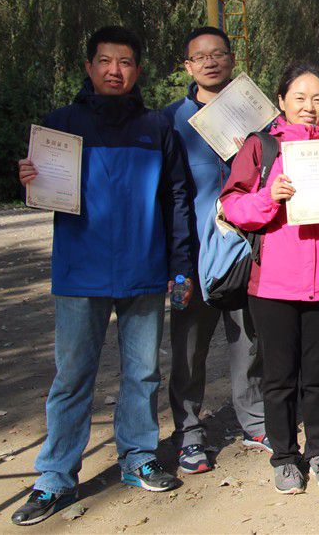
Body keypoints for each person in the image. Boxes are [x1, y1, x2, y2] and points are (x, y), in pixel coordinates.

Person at [12, 26, 191, 526]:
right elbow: (44, 189)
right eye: (106, 61)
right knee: (72, 377)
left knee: (142, 373)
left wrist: (179, 266)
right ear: (89, 67)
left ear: (138, 70)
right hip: (80, 270)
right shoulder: (60, 126)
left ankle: (138, 458)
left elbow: (176, 199)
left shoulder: (157, 127)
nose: (115, 70)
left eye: (125, 62)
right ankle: (55, 477)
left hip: (144, 268)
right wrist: (29, 179)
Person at [220, 63, 319, 494]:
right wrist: (270, 197)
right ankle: (285, 457)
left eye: (318, 98)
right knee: (279, 378)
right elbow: (232, 206)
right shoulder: (261, 147)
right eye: (299, 97)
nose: (309, 106)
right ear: (281, 101)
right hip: (274, 285)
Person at [163, 26, 268, 475]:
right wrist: (175, 261)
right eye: (200, 56)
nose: (210, 62)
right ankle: (189, 431)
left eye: (218, 54)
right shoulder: (170, 121)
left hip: (247, 249)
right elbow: (165, 193)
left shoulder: (259, 115)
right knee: (189, 347)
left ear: (231, 60)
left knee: (249, 341)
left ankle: (256, 422)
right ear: (188, 66)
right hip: (194, 254)